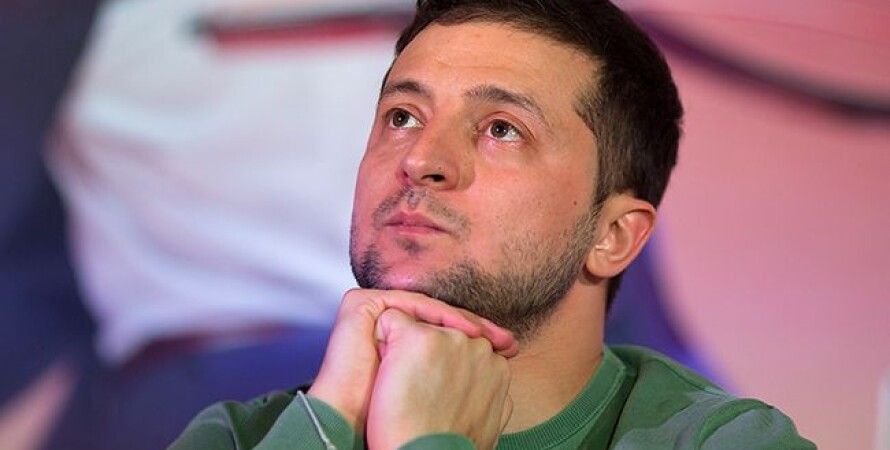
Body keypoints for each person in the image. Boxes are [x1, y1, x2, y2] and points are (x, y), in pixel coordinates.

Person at [169, 1, 816, 449]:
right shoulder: (236, 438)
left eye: (501, 130)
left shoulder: (726, 442)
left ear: (614, 235)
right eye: (402, 117)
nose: (421, 160)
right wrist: (325, 424)